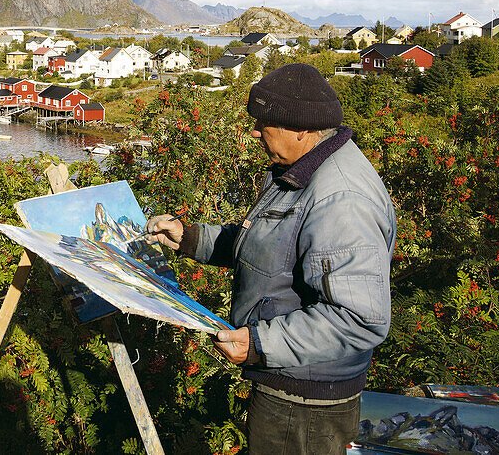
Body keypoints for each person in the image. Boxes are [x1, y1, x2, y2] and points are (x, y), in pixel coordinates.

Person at [145, 63, 396, 455]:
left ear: (301, 129)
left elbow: (361, 319)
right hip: (287, 390)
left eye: (264, 124)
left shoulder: (341, 200)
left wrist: (261, 343)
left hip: (308, 407)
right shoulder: (295, 171)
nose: (256, 132)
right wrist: (191, 238)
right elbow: (267, 248)